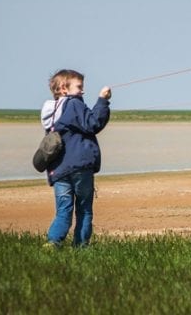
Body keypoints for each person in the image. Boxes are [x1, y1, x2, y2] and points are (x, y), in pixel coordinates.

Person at [43, 69, 112, 249]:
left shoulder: (53, 111)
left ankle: (53, 243)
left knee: (63, 211)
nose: (82, 91)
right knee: (84, 209)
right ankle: (81, 246)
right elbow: (93, 123)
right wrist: (103, 100)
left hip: (58, 170)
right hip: (80, 167)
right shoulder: (74, 105)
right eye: (79, 87)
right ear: (64, 88)